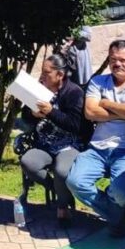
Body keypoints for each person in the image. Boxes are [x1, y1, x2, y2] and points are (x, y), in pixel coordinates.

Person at [66, 39, 125, 237]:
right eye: (113, 59)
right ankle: (117, 215)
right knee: (75, 182)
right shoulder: (98, 81)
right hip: (97, 149)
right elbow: (90, 112)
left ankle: (116, 214)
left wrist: (106, 103)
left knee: (121, 192)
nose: (117, 64)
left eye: (123, 60)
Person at [20, 53, 86, 225]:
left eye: (46, 73)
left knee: (61, 171)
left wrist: (51, 112)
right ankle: (58, 191)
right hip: (44, 144)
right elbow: (25, 116)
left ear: (60, 74)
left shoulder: (74, 92)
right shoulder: (39, 88)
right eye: (42, 71)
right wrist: (32, 114)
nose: (42, 76)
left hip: (69, 144)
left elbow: (75, 125)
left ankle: (62, 207)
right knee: (28, 162)